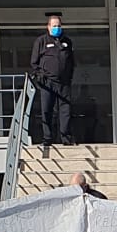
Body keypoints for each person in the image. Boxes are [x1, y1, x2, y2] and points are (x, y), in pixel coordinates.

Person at [30, 12, 76, 145]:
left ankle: (65, 138)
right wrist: (40, 76)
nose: (57, 28)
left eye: (59, 26)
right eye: (54, 25)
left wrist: (69, 77)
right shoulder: (41, 41)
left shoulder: (67, 41)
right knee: (47, 110)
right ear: (48, 27)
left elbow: (72, 62)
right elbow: (34, 62)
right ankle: (47, 138)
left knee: (65, 110)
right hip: (47, 82)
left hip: (64, 83)